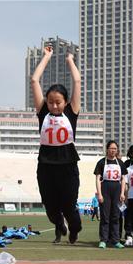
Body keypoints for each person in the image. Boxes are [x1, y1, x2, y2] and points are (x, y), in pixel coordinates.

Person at [32, 45, 82, 244]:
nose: (54, 106)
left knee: (69, 206)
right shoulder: (42, 112)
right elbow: (34, 80)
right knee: (50, 207)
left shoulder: (71, 111)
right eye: (51, 102)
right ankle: (58, 224)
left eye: (58, 102)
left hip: (68, 165)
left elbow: (77, 80)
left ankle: (74, 229)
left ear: (65, 101)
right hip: (45, 166)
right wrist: (47, 56)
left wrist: (70, 59)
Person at [94, 140, 128, 249]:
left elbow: (123, 179)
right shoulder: (101, 162)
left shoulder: (120, 163)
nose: (113, 150)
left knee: (116, 216)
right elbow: (98, 179)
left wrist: (122, 193)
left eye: (115, 148)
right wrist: (99, 194)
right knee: (105, 216)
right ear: (107, 149)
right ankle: (103, 240)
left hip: (117, 190)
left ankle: (115, 240)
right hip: (105, 189)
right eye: (111, 148)